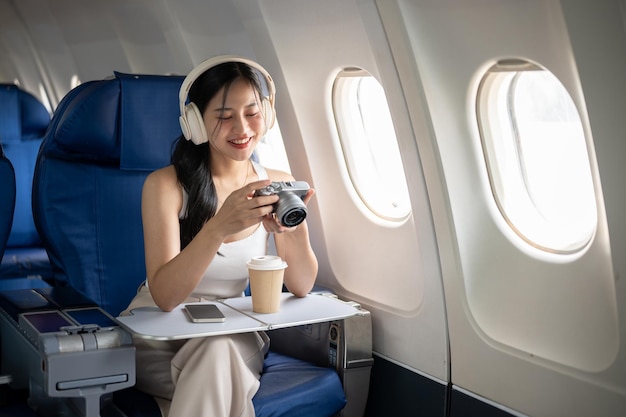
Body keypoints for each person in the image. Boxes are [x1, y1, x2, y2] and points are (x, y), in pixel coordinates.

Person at [121, 56, 318, 417]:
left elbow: (303, 285)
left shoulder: (275, 180)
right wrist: (218, 227)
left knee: (218, 352)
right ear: (196, 122)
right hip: (157, 336)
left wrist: (292, 228)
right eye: (224, 116)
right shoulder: (164, 186)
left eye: (252, 112)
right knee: (220, 370)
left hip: (230, 333)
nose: (242, 127)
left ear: (268, 114)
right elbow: (165, 297)